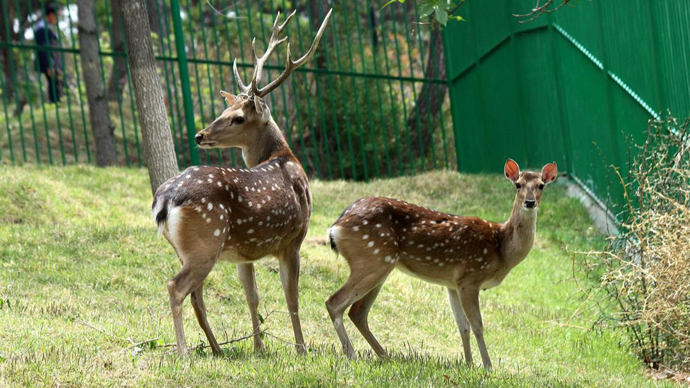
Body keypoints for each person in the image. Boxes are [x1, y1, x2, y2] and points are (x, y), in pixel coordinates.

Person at [35, 4, 63, 104]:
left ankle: (57, 103)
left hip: (54, 62)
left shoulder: (48, 27)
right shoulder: (42, 28)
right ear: (51, 15)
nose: (58, 19)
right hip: (50, 63)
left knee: (57, 84)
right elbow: (43, 48)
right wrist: (49, 65)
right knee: (54, 85)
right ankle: (54, 104)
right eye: (57, 16)